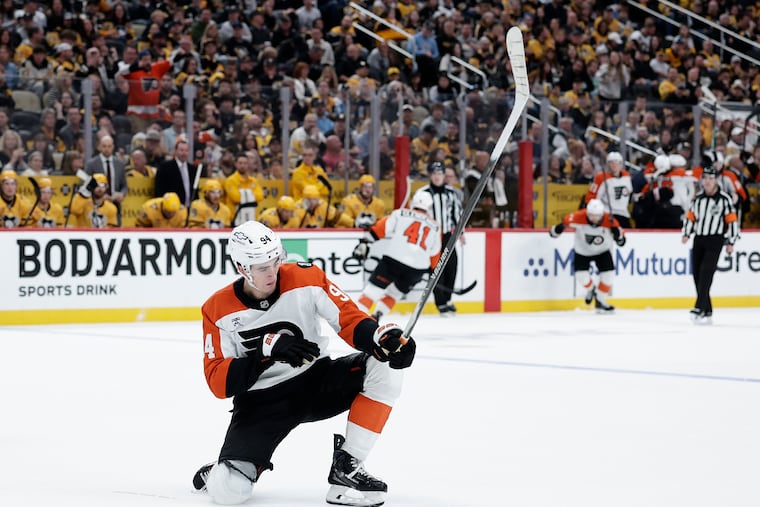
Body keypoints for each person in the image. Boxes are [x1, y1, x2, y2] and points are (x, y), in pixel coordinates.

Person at [191, 220, 415, 507]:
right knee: (229, 492)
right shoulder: (216, 309)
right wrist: (264, 351)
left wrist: (383, 339)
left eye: (275, 261)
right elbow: (217, 382)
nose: (272, 272)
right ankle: (221, 471)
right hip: (262, 403)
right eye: (262, 267)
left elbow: (348, 316)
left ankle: (347, 467)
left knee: (383, 365)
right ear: (242, 268)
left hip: (317, 381)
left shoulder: (305, 277)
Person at [352, 191, 442, 321]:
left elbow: (382, 228)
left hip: (393, 260)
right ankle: (377, 315)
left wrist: (366, 242)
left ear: (413, 202)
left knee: (373, 291)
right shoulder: (436, 226)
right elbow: (435, 253)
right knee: (394, 293)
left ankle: (355, 319)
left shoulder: (400, 213)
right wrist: (432, 270)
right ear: (429, 206)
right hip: (417, 268)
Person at [681, 166, 740, 325]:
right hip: (699, 239)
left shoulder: (724, 199)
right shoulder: (698, 199)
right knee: (697, 275)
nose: (707, 181)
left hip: (715, 239)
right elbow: (690, 217)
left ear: (716, 181)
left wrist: (731, 241)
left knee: (706, 272)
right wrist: (686, 233)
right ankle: (707, 309)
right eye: (705, 178)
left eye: (710, 178)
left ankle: (699, 307)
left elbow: (732, 220)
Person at [549, 198, 626, 313]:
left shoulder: (610, 221)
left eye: (597, 215)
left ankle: (600, 301)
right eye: (591, 215)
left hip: (602, 250)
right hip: (583, 251)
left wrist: (618, 236)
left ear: (602, 214)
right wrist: (558, 230)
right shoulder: (577, 217)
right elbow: (553, 232)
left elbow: (622, 242)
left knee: (608, 275)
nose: (594, 218)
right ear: (586, 213)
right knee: (581, 276)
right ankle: (591, 289)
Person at [414, 161, 463, 316]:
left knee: (451, 266)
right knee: (436, 270)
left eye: (440, 173)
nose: (437, 177)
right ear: (430, 175)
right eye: (434, 173)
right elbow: (415, 215)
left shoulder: (451, 193)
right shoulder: (422, 193)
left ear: (444, 175)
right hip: (430, 237)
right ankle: (441, 303)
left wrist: (461, 234)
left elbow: (457, 215)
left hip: (447, 235)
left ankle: (447, 300)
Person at [584, 151, 633, 227]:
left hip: (623, 213)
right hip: (607, 214)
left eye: (617, 162)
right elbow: (591, 196)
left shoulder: (626, 176)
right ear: (607, 164)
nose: (614, 165)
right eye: (611, 162)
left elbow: (629, 192)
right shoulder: (601, 177)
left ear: (621, 164)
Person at [84, 134, 128, 216]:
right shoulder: (92, 164)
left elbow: (124, 186)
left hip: (116, 204)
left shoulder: (120, 164)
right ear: (99, 147)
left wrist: (122, 194)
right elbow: (85, 184)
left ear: (113, 147)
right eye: (104, 146)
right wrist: (99, 194)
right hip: (97, 204)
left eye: (109, 146)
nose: (106, 149)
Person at [154, 139, 199, 209]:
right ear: (176, 151)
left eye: (186, 150)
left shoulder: (192, 169)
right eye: (181, 150)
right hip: (172, 208)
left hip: (189, 209)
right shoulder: (165, 167)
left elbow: (195, 190)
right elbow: (159, 190)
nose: (184, 153)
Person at [224, 153, 265, 226]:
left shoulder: (253, 181)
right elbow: (236, 198)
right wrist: (251, 193)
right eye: (240, 163)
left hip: (252, 219)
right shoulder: (230, 180)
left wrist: (242, 192)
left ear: (248, 165)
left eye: (245, 163)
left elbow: (260, 196)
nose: (242, 165)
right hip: (235, 219)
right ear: (235, 164)